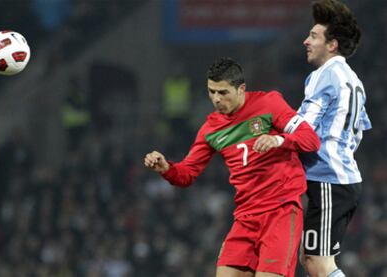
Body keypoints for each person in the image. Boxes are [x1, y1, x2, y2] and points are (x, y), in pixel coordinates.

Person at [144, 57, 321, 277]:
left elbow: (310, 139)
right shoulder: (211, 128)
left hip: (280, 211)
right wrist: (166, 168)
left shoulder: (269, 103)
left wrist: (279, 140)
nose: (216, 99)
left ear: (241, 89)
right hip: (245, 217)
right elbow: (187, 174)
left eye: (223, 92)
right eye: (211, 92)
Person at [297, 1, 372, 277]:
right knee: (310, 258)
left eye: (314, 36)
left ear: (332, 45)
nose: (306, 41)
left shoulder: (324, 74)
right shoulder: (353, 79)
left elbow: (303, 126)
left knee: (318, 264)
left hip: (329, 179)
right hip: (338, 179)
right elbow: (359, 131)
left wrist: (275, 138)